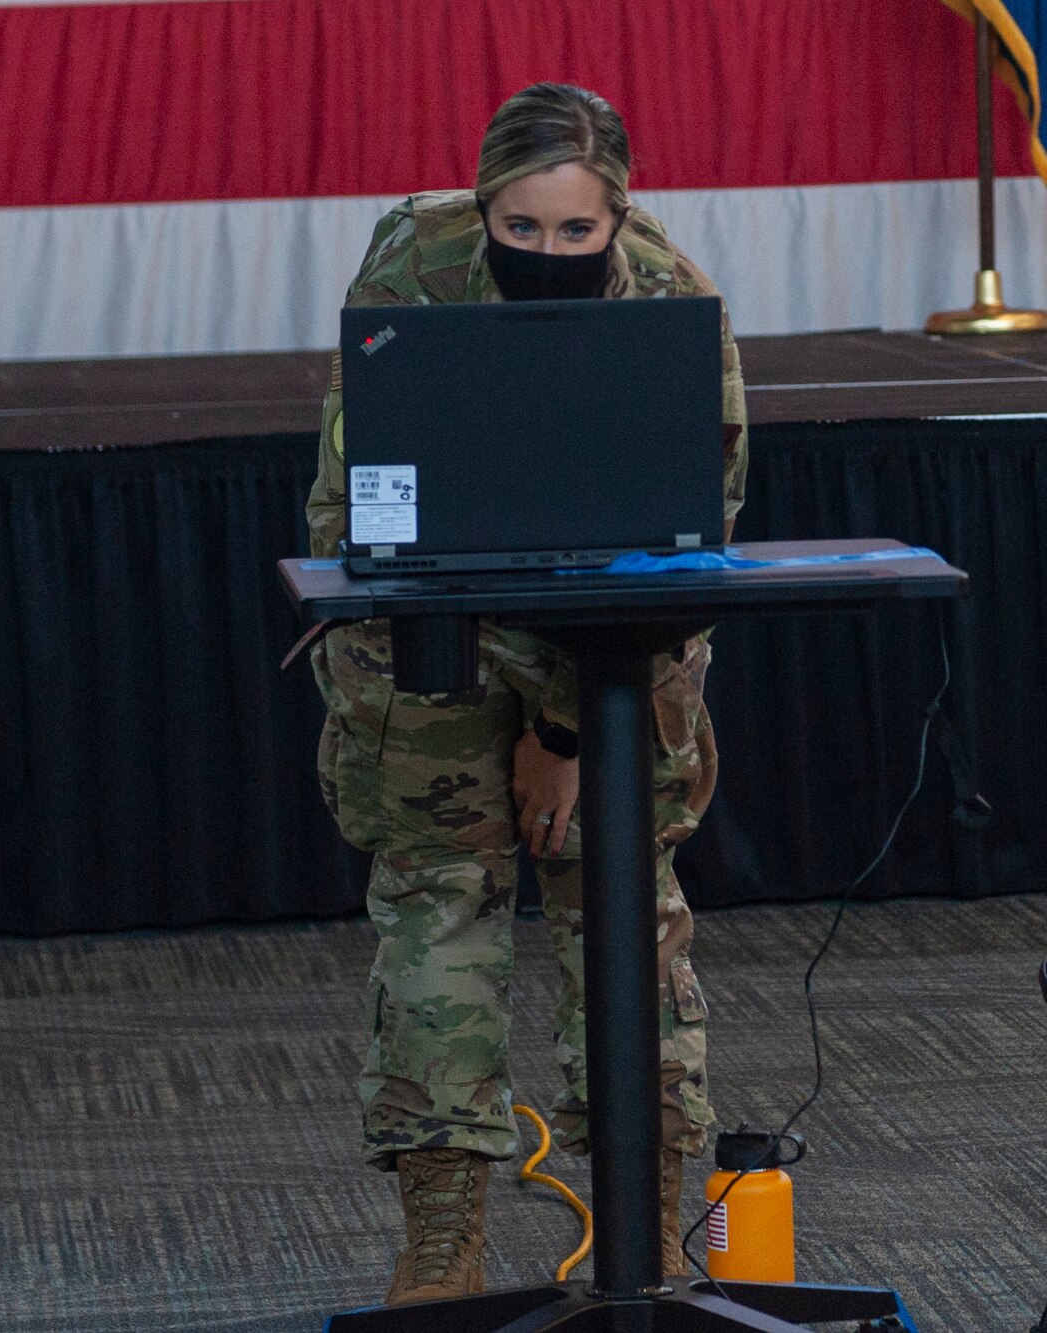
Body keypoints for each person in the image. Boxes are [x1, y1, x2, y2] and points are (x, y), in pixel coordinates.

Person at [305, 83, 748, 1303]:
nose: (543, 252)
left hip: (616, 634)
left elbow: (691, 535)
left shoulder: (666, 302)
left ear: (618, 218)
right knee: (434, 906)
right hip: (430, 632)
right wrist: (427, 650)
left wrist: (562, 724)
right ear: (481, 202)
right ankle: (440, 1234)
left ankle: (644, 1220)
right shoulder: (412, 267)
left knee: (620, 908)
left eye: (573, 233)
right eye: (519, 228)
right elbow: (360, 500)